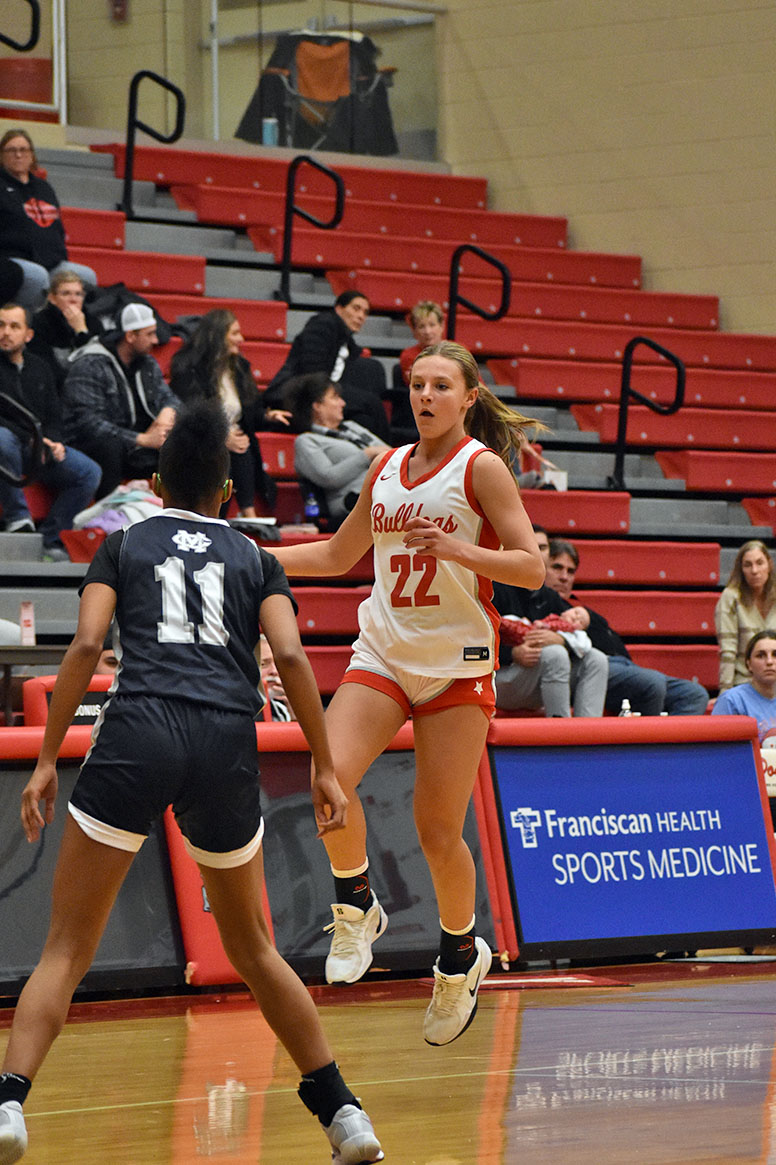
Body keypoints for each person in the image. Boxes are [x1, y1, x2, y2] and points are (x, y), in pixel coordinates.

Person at [0, 401, 383, 1165]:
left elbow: (84, 644)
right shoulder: (255, 556)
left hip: (137, 731)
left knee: (67, 947)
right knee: (253, 949)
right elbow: (297, 660)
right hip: (222, 740)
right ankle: (344, 1115)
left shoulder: (125, 540)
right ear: (229, 498)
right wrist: (324, 763)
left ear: (153, 481)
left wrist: (45, 758)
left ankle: (8, 1103)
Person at [270, 340, 545, 1046]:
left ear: (469, 396)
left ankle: (460, 955)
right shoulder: (387, 465)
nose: (425, 396)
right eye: (417, 384)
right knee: (327, 775)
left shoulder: (481, 469)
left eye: (440, 385)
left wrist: (459, 550)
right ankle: (357, 900)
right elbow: (337, 555)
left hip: (457, 665)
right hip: (386, 653)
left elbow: (532, 567)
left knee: (435, 831)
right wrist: (253, 553)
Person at [546, 537, 710, 715]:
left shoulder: (578, 606)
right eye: (557, 568)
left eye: (570, 571)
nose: (564, 577)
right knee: (651, 683)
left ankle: (672, 743)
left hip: (623, 667)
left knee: (694, 694)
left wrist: (588, 617)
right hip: (589, 670)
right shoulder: (538, 602)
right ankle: (647, 742)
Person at [0, 302, 101, 560]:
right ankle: (18, 519)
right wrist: (35, 438)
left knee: (89, 472)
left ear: (28, 335)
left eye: (14, 326)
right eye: (1, 325)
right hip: (11, 444)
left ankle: (51, 537)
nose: (6, 332)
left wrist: (53, 441)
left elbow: (55, 415)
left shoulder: (40, 367)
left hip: (38, 447)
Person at [169, 309, 290, 518]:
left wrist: (266, 416)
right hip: (197, 440)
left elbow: (248, 411)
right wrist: (220, 436)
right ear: (217, 334)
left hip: (233, 439)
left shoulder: (239, 368)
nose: (241, 339)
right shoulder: (189, 367)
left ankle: (248, 512)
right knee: (230, 446)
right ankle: (230, 514)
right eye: (234, 333)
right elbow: (188, 412)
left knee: (242, 442)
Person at [62, 302, 180, 498]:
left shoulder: (147, 363)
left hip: (139, 446)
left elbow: (169, 397)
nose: (156, 339)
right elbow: (88, 423)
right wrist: (141, 439)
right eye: (149, 334)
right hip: (93, 445)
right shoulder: (90, 363)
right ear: (130, 336)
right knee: (109, 446)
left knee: (188, 443)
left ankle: (187, 517)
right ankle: (110, 515)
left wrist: (167, 414)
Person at [492, 526, 609, 718]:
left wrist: (562, 639)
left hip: (535, 679)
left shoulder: (548, 595)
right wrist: (512, 653)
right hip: (500, 678)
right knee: (554, 655)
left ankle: (588, 736)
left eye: (544, 548)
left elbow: (603, 639)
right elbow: (470, 641)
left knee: (597, 660)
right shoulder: (495, 586)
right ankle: (561, 737)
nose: (539, 553)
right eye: (534, 546)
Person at [263, 290, 390, 442]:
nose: (361, 316)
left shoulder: (349, 345)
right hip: (300, 395)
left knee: (363, 419)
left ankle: (373, 459)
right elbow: (311, 372)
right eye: (356, 309)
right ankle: (390, 459)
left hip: (327, 393)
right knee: (371, 403)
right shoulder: (322, 324)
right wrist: (333, 396)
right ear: (339, 309)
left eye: (365, 312)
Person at [0, 129, 97, 310]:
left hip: (51, 261)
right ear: (2, 156)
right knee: (37, 277)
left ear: (32, 155)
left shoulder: (44, 188)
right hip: (13, 260)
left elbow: (57, 228)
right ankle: (31, 326)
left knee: (86, 276)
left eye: (24, 149)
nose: (18, 155)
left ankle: (72, 330)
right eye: (11, 150)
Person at [284, 371, 389, 526]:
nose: (343, 403)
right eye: (335, 397)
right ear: (317, 406)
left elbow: (388, 451)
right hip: (351, 501)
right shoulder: (307, 441)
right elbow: (329, 477)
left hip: (384, 490)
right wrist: (367, 455)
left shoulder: (352, 428)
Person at [715, 540, 776, 693]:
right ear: (741, 570)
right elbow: (728, 650)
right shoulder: (731, 597)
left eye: (759, 563)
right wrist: (725, 690)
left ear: (769, 565)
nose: (754, 570)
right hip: (744, 683)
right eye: (748, 565)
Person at [28, 271, 103, 390]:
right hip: (54, 388)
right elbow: (44, 367)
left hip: (90, 387)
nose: (73, 300)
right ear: (52, 298)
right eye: (66, 293)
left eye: (78, 294)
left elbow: (99, 366)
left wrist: (81, 332)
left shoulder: (93, 323)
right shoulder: (39, 323)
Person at [712, 630, 776, 745]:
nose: (769, 661)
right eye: (760, 655)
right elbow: (716, 751)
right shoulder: (731, 701)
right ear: (749, 664)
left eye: (775, 655)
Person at [258, 632, 297, 721]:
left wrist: (295, 715)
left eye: (278, 664)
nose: (274, 671)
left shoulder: (281, 710)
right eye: (264, 664)